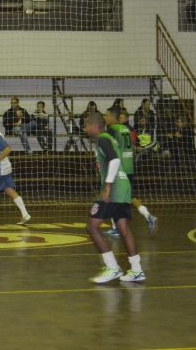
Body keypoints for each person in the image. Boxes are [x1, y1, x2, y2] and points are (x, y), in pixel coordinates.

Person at [84, 112, 145, 283]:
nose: (85, 128)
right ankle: (137, 270)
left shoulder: (103, 139)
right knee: (123, 229)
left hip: (115, 189)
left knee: (92, 226)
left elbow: (115, 160)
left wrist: (108, 185)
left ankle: (113, 268)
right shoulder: (108, 138)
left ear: (95, 126)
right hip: (124, 186)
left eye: (86, 125)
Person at [105, 108, 157, 237]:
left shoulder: (112, 129)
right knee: (128, 196)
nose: (105, 117)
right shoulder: (126, 129)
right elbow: (132, 148)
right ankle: (147, 215)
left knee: (112, 197)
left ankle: (116, 228)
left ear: (113, 116)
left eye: (107, 115)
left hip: (119, 167)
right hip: (129, 167)